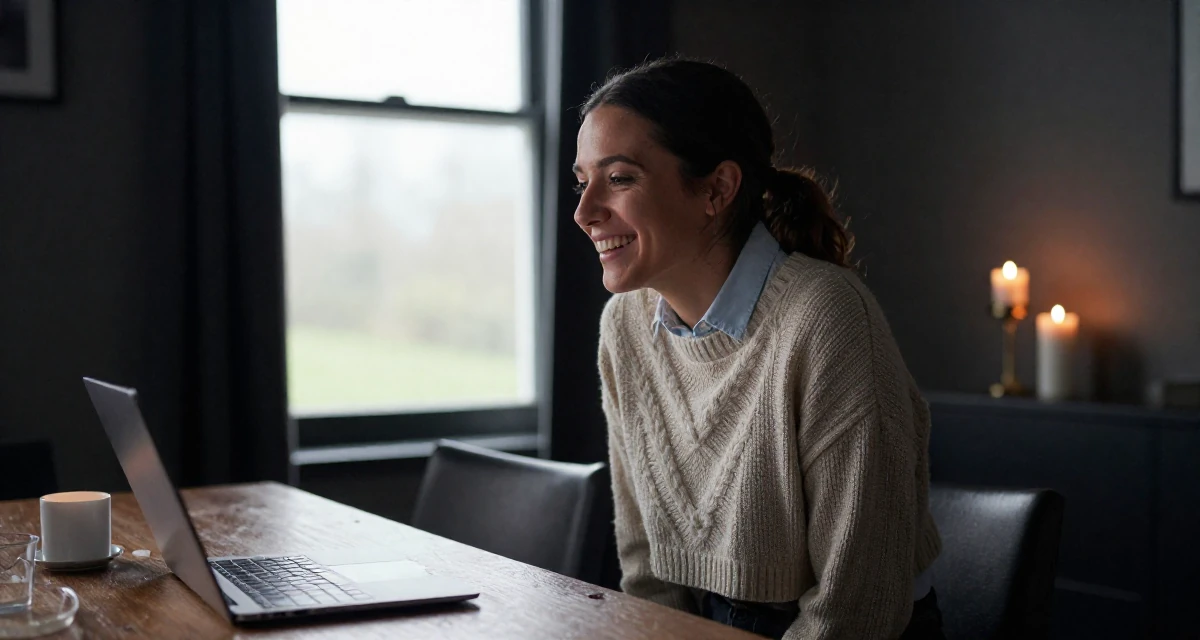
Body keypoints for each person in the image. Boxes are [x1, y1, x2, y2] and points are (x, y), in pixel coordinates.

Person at [574, 58, 945, 639]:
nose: (585, 212)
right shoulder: (624, 325)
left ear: (717, 189)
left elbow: (858, 610)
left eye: (619, 179)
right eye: (583, 182)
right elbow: (646, 571)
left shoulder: (827, 318)